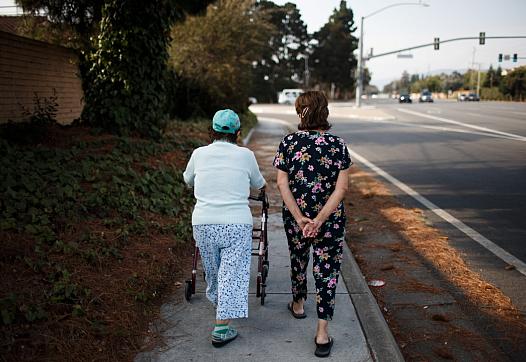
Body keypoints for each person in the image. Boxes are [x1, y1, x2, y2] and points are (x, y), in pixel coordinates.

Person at [273, 91, 352, 358]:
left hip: (297, 217)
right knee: (327, 272)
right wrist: (319, 220)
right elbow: (341, 189)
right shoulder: (338, 144)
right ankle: (321, 334)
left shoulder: (288, 143)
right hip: (329, 221)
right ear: (325, 113)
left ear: (300, 113)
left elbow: (282, 183)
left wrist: (300, 218)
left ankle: (298, 304)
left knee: (298, 259)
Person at [183, 109, 266, 347]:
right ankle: (221, 328)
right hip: (236, 224)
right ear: (238, 133)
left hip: (204, 223)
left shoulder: (198, 154)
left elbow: (188, 180)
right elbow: (258, 183)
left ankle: (221, 312)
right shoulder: (245, 155)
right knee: (233, 273)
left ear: (212, 131)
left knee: (214, 270)